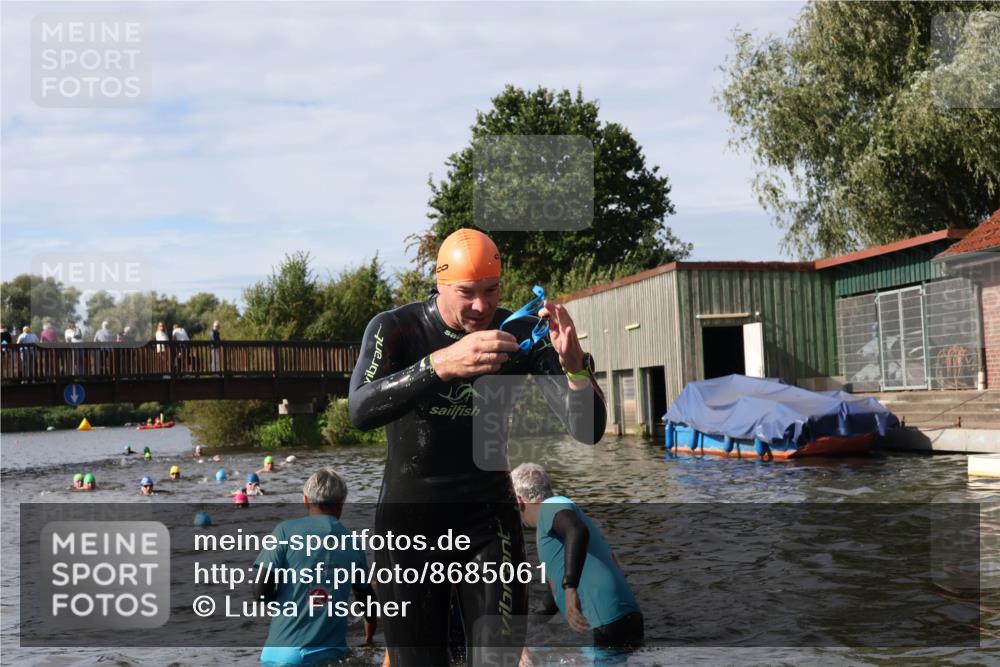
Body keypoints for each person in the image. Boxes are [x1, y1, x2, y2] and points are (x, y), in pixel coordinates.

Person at [348, 228, 606, 666]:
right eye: (467, 293)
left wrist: (574, 365)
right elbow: (360, 409)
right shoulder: (397, 329)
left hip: (488, 524)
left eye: (491, 291)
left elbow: (588, 430)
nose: (481, 306)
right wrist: (441, 365)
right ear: (440, 284)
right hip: (410, 528)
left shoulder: (518, 331)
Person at [511, 463, 643, 656]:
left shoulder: (551, 507)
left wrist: (570, 588)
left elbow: (577, 531)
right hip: (626, 617)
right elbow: (552, 599)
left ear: (518, 501)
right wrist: (526, 628)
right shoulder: (552, 529)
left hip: (603, 622)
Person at [252, 468, 377, 666]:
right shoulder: (353, 543)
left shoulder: (283, 531)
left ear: (305, 500)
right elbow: (367, 600)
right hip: (328, 655)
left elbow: (260, 591)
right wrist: (369, 639)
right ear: (342, 501)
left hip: (279, 655)